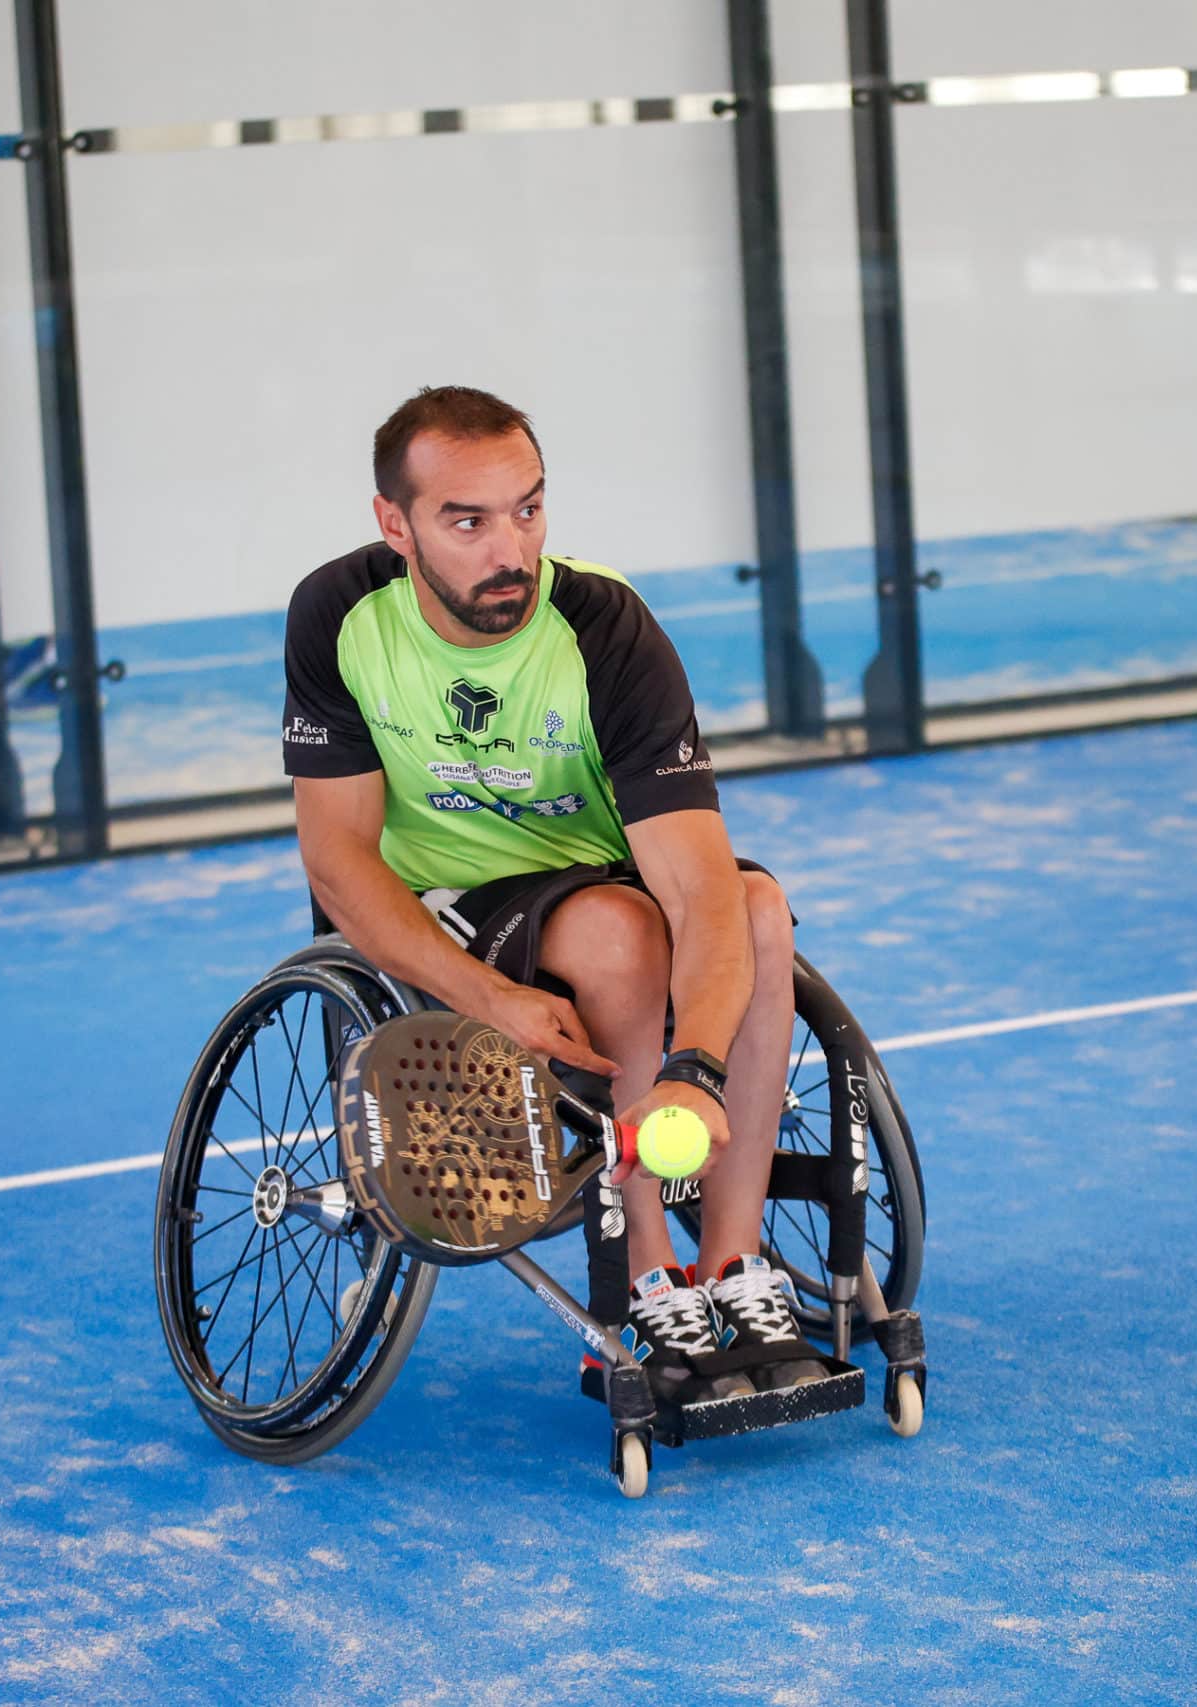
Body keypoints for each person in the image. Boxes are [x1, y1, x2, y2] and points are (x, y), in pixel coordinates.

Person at [280, 385, 823, 1406]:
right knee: (619, 932)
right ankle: (646, 1277)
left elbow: (701, 881)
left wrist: (695, 1065)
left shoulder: (603, 626)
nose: (511, 551)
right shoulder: (340, 617)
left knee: (756, 908)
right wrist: (491, 1001)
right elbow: (338, 863)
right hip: (452, 901)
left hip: (595, 878)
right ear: (395, 525)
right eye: (468, 521)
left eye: (529, 509)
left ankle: (736, 1267)